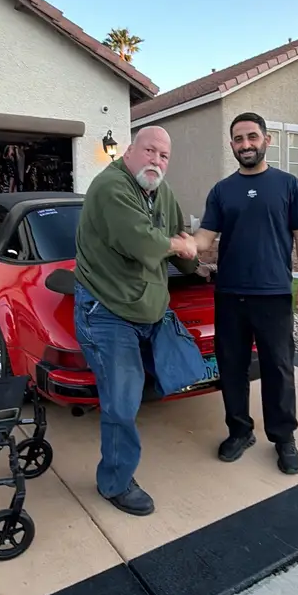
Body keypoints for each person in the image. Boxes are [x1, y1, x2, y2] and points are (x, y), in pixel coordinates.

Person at [74, 126, 199, 516]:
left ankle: (122, 444)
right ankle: (114, 482)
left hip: (148, 311)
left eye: (164, 156)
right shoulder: (111, 187)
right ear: (129, 152)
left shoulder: (161, 192)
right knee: (121, 403)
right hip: (108, 312)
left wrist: (192, 260)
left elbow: (181, 243)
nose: (156, 161)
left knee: (174, 374)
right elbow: (144, 241)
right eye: (149, 151)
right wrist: (182, 245)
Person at [192, 112, 298, 474]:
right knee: (231, 367)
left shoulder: (288, 185)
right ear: (231, 145)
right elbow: (205, 238)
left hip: (272, 293)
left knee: (278, 368)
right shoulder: (221, 191)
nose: (245, 144)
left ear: (266, 140)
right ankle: (239, 431)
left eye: (251, 137)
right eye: (238, 139)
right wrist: (185, 244)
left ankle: (284, 437)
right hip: (230, 294)